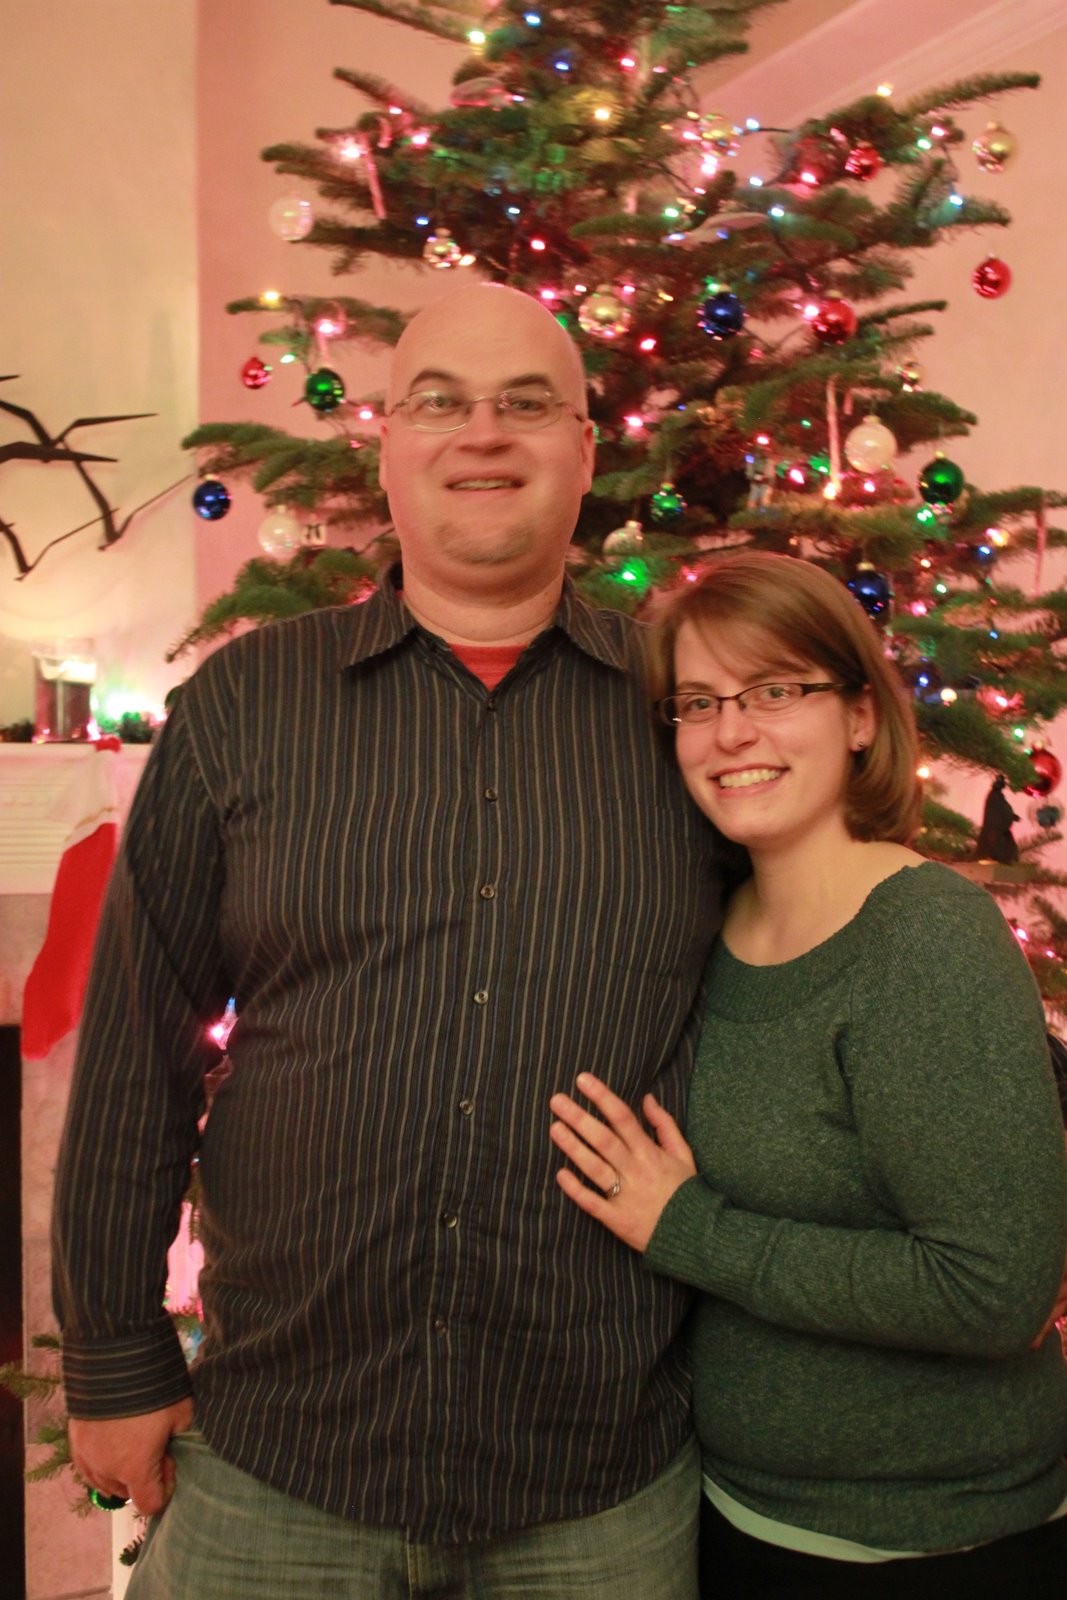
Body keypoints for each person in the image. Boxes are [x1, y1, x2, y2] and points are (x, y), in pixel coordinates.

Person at [50, 282, 722, 1598]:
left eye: (525, 403)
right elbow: (136, 1050)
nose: (483, 433)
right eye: (440, 403)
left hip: (599, 1477)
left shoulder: (686, 715)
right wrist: (115, 1359)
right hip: (278, 1465)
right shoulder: (245, 704)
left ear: (585, 449)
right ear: (386, 447)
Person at [549, 551, 1067, 1599]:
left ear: (860, 716)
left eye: (775, 690)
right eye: (698, 703)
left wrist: (687, 1228)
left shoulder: (923, 938)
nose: (730, 732)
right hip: (733, 1514)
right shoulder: (709, 923)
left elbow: (992, 1291)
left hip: (930, 1546)